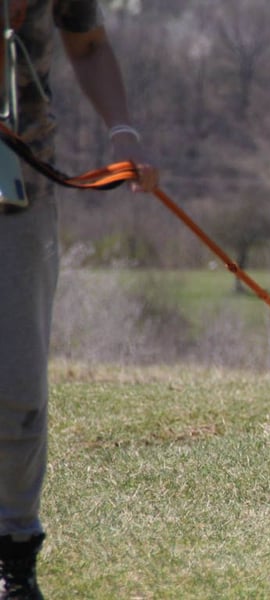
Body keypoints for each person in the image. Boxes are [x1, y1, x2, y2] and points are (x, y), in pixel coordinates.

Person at [0, 2, 158, 598]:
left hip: (22, 180)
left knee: (16, 383)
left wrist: (122, 131)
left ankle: (13, 556)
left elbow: (87, 44)